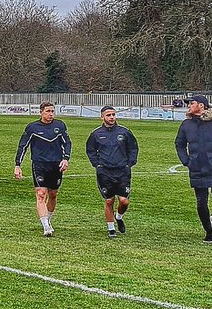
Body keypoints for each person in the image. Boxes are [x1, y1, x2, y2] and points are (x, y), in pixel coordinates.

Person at [175, 94, 212, 244]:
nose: (189, 105)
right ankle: (208, 232)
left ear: (201, 105)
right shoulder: (186, 124)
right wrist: (186, 161)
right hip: (196, 168)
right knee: (201, 202)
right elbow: (179, 144)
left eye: (192, 103)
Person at [15, 101, 72, 237]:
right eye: (48, 111)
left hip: (56, 165)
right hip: (39, 164)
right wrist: (18, 165)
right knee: (41, 194)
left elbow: (67, 143)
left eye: (52, 111)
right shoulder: (32, 128)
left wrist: (66, 159)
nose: (51, 114)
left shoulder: (60, 125)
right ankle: (46, 226)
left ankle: (48, 220)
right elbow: (23, 146)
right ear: (41, 112)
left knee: (53, 194)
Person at [85, 106, 138, 238]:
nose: (112, 117)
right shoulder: (96, 134)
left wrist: (129, 163)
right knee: (109, 201)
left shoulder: (124, 132)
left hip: (122, 171)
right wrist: (97, 164)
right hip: (104, 172)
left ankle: (119, 217)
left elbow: (133, 148)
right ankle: (111, 229)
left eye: (113, 114)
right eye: (108, 115)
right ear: (102, 117)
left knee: (124, 201)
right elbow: (90, 150)